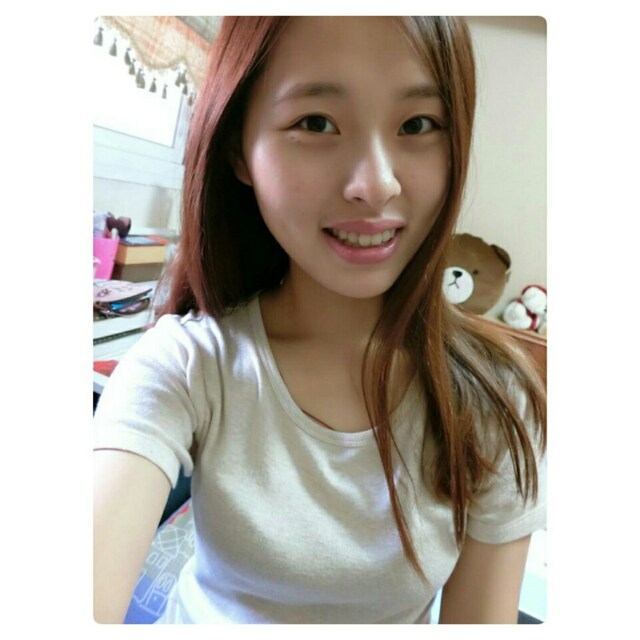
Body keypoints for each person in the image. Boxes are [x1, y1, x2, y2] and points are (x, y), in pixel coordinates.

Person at [93, 16, 547, 624]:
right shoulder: (188, 366)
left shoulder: (495, 400)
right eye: (315, 122)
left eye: (417, 125)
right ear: (239, 149)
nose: (375, 185)